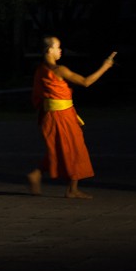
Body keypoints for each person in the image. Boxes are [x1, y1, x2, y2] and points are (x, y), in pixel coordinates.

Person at [27, 36, 117, 199]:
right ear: (49, 50)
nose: (61, 50)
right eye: (58, 47)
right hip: (61, 116)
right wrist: (105, 67)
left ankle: (37, 173)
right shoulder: (59, 70)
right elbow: (86, 82)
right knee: (75, 149)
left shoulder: (40, 69)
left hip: (53, 114)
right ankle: (72, 189)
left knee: (61, 149)